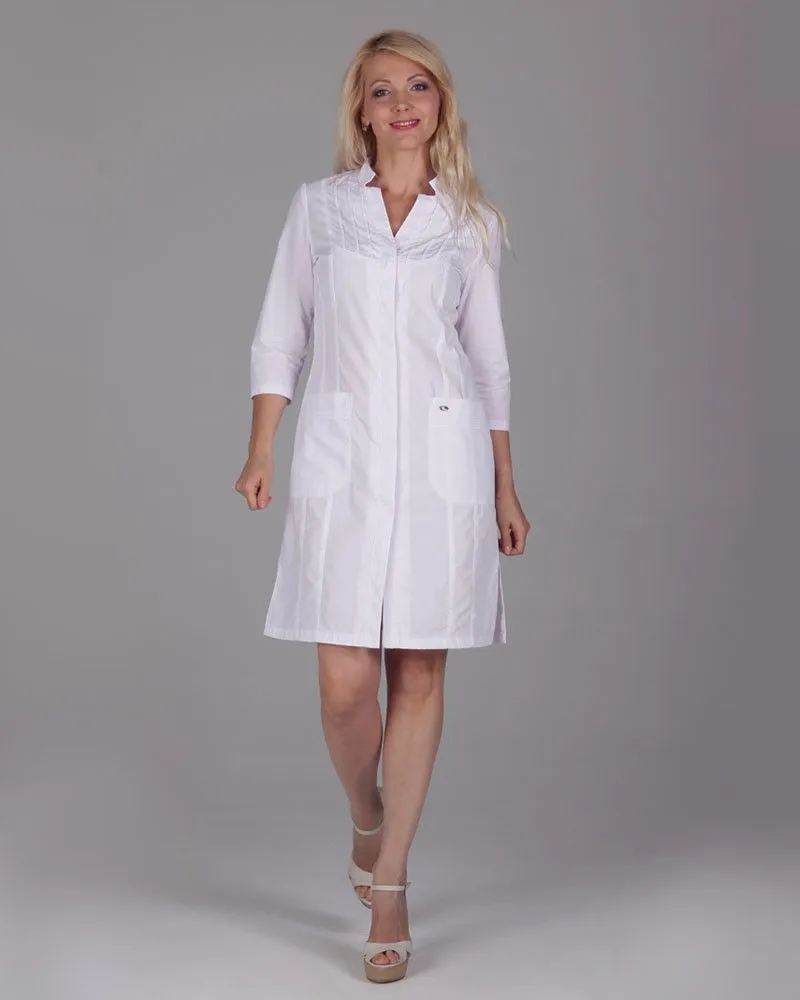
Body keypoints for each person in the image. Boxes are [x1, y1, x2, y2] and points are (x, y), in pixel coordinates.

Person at [234, 28, 530, 984]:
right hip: (345, 457)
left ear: (441, 103)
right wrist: (263, 445)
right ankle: (367, 816)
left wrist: (505, 482)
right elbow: (281, 331)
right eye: (381, 91)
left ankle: (392, 879)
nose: (402, 104)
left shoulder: (469, 222)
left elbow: (488, 363)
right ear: (359, 111)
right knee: (344, 685)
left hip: (444, 464)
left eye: (418, 87)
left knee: (419, 673)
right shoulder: (320, 210)